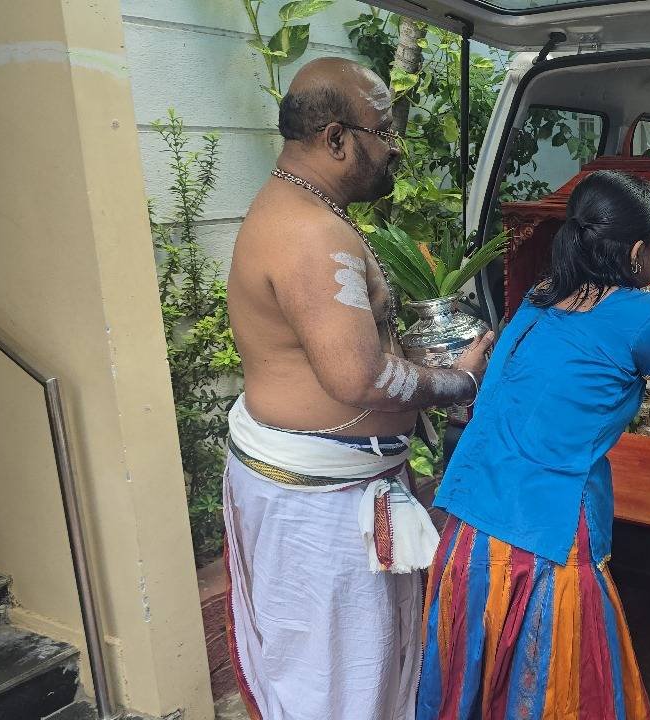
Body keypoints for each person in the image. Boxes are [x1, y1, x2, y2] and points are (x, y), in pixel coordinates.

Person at [416, 170, 650, 719]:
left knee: (475, 682)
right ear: (640, 249)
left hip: (468, 522)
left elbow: (586, 366)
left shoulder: (540, 297)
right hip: (544, 537)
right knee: (553, 686)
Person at [223, 57, 493, 720]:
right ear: (339, 139)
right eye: (386, 133)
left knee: (349, 669)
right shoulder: (313, 235)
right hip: (318, 509)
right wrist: (459, 378)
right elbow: (359, 377)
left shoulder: (300, 207)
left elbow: (350, 349)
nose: (395, 150)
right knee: (337, 683)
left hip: (322, 489)